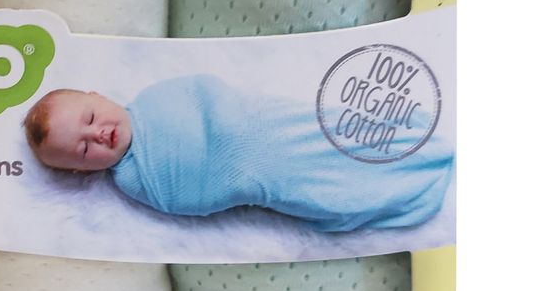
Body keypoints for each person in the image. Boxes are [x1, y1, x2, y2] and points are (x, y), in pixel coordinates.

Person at [23, 76, 453, 232]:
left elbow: (205, 91)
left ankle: (409, 145)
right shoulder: (134, 182)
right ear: (83, 172)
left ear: (98, 95)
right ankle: (399, 190)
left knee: (335, 130)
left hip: (262, 129)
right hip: (260, 176)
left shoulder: (154, 98)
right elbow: (191, 201)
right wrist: (236, 182)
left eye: (91, 117)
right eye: (83, 149)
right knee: (330, 195)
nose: (98, 135)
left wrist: (228, 123)